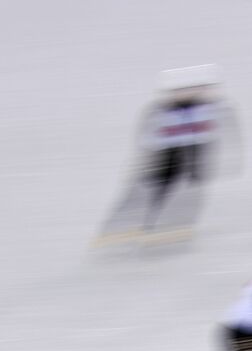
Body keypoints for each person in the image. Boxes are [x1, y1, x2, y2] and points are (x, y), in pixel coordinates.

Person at [97, 64, 242, 242]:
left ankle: (173, 226)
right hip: (165, 156)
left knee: (190, 193)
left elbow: (225, 129)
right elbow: (146, 134)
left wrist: (228, 160)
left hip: (193, 154)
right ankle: (124, 227)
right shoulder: (161, 110)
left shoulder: (212, 108)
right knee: (148, 191)